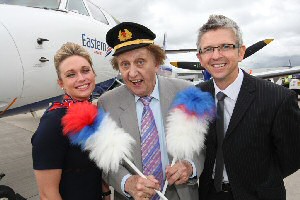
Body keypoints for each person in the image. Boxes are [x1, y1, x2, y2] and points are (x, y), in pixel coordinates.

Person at [196, 14, 300, 200]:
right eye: (208, 49)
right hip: (208, 194)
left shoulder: (278, 98)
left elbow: (293, 156)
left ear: (241, 52)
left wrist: (263, 180)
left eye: (225, 47)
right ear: (200, 57)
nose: (216, 55)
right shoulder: (195, 97)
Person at [98, 22, 201, 200]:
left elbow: (202, 144)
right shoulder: (106, 103)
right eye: (124, 65)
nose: (132, 73)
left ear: (156, 63)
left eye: (140, 62)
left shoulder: (186, 93)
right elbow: (105, 159)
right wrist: (126, 182)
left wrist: (190, 166)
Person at [31, 42, 111, 200]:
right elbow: (47, 194)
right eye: (71, 74)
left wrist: (106, 193)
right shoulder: (53, 122)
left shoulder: (92, 113)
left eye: (85, 70)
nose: (81, 78)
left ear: (94, 74)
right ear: (61, 83)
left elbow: (94, 166)